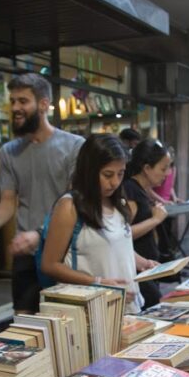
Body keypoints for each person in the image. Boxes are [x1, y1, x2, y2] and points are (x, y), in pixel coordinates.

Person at [0, 73, 85, 314]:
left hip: (64, 249)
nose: (15, 108)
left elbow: (75, 200)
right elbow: (8, 200)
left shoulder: (74, 146)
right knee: (24, 323)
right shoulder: (9, 152)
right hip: (25, 253)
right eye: (13, 101)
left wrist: (40, 234)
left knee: (65, 322)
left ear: (44, 104)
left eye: (23, 101)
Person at [40, 134, 157, 314]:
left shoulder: (117, 201)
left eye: (121, 174)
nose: (115, 182)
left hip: (129, 307)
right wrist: (98, 282)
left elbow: (116, 246)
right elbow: (50, 264)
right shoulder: (69, 206)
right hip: (94, 313)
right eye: (107, 175)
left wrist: (143, 263)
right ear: (89, 170)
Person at [123, 139, 170, 309]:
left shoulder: (141, 190)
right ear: (147, 168)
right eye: (163, 168)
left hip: (147, 268)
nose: (167, 174)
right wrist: (155, 219)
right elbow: (123, 234)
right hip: (138, 271)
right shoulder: (130, 189)